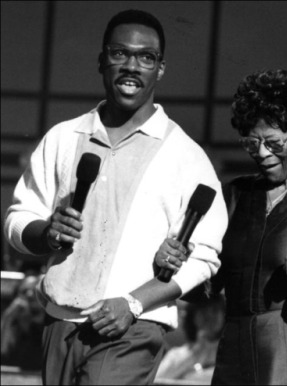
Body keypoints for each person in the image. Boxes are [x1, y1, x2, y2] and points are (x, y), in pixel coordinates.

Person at [3, 9, 227, 385]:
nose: (131, 66)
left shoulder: (186, 157)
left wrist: (135, 303)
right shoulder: (63, 137)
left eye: (146, 57)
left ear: (160, 69)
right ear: (102, 61)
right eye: (120, 54)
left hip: (131, 329)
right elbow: (18, 217)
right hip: (59, 322)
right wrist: (45, 233)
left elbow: (205, 256)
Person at [181, 69, 287, 385]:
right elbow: (209, 287)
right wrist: (183, 264)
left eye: (273, 142)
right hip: (235, 348)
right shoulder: (235, 195)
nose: (263, 154)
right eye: (252, 144)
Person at [154, 296, 225, 384]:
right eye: (203, 310)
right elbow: (156, 380)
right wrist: (196, 351)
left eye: (215, 310)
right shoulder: (177, 355)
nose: (209, 316)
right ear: (193, 316)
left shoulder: (231, 355)